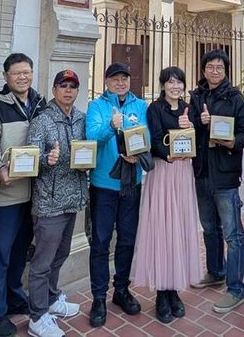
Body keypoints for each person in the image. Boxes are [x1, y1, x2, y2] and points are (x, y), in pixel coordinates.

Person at [0, 53, 48, 336]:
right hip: (7, 192)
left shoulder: (42, 104)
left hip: (36, 192)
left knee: (21, 251)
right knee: (0, 254)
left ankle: (13, 296)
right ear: (6, 76)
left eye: (27, 72)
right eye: (17, 73)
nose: (23, 77)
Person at [133, 66, 203, 323]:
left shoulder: (189, 107)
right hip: (163, 171)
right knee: (163, 228)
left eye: (179, 82)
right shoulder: (155, 109)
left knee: (181, 227)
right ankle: (162, 293)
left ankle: (174, 290)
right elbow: (152, 141)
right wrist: (168, 154)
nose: (175, 86)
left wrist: (191, 125)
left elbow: (198, 138)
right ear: (163, 85)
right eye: (170, 82)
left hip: (183, 173)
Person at [85, 62, 151, 327]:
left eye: (124, 77)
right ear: (106, 81)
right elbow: (92, 137)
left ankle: (121, 290)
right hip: (103, 186)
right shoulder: (97, 106)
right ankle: (98, 296)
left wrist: (138, 154)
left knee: (127, 240)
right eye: (115, 78)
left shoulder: (140, 106)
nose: (120, 82)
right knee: (101, 242)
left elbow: (145, 136)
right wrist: (111, 127)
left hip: (131, 184)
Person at [25, 69, 89, 337]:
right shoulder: (42, 121)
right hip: (49, 203)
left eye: (73, 87)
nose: (68, 91)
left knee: (60, 255)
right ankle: (37, 316)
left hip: (72, 200)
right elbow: (29, 159)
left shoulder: (81, 119)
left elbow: (88, 150)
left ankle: (51, 299)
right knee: (42, 262)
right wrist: (45, 160)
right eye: (63, 86)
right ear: (54, 90)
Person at [189, 49, 244, 314]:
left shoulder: (235, 98)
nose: (214, 71)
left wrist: (233, 142)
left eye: (219, 68)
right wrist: (198, 121)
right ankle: (216, 271)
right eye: (210, 67)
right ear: (203, 70)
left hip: (225, 175)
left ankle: (236, 288)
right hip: (202, 173)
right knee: (209, 228)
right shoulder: (195, 97)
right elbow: (186, 128)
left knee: (233, 234)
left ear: (226, 71)